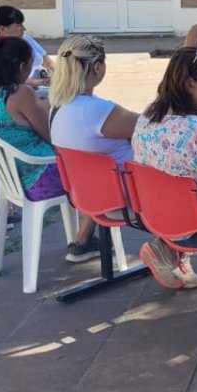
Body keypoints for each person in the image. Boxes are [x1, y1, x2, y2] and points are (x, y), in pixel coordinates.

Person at [131, 47, 197, 290]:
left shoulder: (147, 116)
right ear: (190, 83)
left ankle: (172, 251)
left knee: (182, 178)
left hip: (156, 212)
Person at [49, 35, 141, 263]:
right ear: (98, 68)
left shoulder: (58, 107)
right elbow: (146, 127)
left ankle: (82, 240)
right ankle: (170, 252)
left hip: (87, 194)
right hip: (130, 196)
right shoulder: (97, 111)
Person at [0, 37, 66, 203]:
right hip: (38, 176)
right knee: (100, 168)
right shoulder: (18, 93)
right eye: (31, 64)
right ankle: (88, 228)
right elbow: (52, 137)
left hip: (7, 178)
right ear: (21, 67)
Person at [0, 5, 54, 83]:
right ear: (2, 29)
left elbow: (46, 59)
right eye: (18, 25)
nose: (24, 29)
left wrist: (57, 74)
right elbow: (11, 81)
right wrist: (41, 82)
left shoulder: (26, 38)